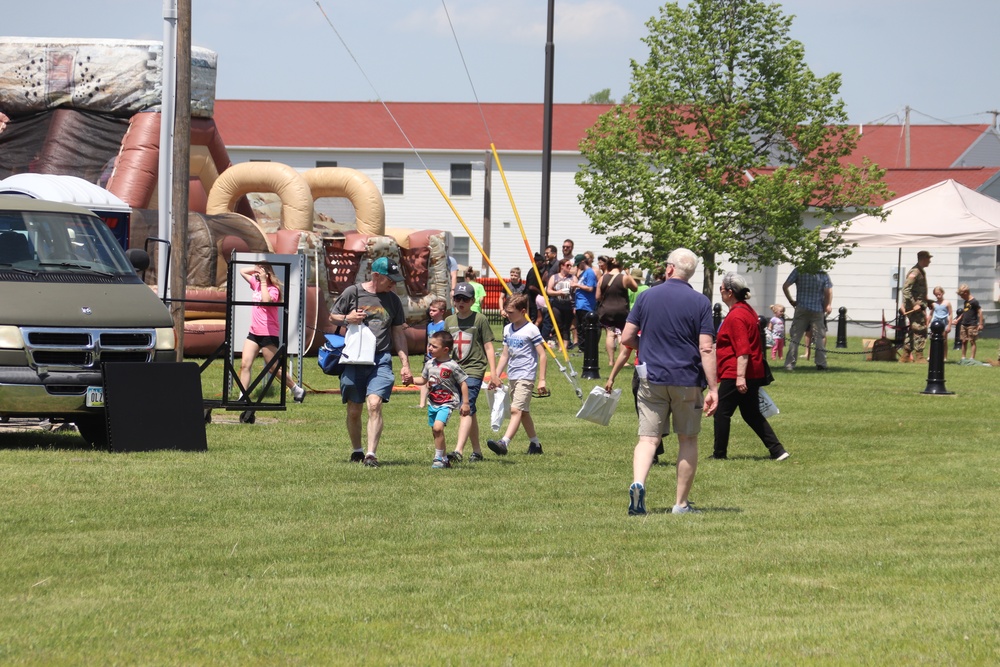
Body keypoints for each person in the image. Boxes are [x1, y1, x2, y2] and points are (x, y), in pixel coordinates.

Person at [618, 248, 718, 516]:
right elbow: (706, 348)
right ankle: (681, 504)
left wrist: (647, 344)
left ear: (670, 268)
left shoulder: (647, 295)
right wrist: (715, 388)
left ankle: (638, 482)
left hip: (652, 377)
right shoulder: (700, 302)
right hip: (687, 378)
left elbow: (627, 337)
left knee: (648, 439)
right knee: (687, 439)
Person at [329, 256, 413, 467]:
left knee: (374, 404)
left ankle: (371, 454)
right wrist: (348, 318)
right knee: (354, 408)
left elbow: (398, 334)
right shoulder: (353, 292)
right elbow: (333, 316)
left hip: (381, 357)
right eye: (390, 279)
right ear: (376, 275)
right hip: (354, 358)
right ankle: (357, 449)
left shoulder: (393, 300)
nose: (394, 283)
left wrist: (405, 364)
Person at [713, 273, 790, 461]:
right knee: (751, 414)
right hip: (752, 371)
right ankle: (778, 451)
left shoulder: (737, 316)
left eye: (721, 289)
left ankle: (719, 454)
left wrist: (740, 377)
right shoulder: (746, 310)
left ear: (730, 292)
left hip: (737, 373)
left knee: (722, 413)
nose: (721, 292)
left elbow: (743, 350)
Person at [486, 294, 548, 455]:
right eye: (506, 311)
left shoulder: (531, 329)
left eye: (511, 312)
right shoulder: (507, 329)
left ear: (523, 311)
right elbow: (505, 355)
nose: (507, 314)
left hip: (526, 376)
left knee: (516, 410)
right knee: (523, 412)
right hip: (513, 375)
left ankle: (504, 443)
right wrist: (496, 376)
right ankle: (535, 445)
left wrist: (542, 380)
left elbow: (542, 354)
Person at [238, 262, 305, 403]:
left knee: (273, 368)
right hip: (254, 332)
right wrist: (256, 269)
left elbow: (266, 300)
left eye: (260, 273)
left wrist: (263, 280)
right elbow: (242, 271)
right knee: (245, 364)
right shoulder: (256, 284)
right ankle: (243, 396)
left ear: (267, 274)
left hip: (268, 333)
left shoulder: (274, 290)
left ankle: (296, 389)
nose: (255, 276)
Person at [445, 282, 497, 461]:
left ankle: (458, 451)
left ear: (472, 300)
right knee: (470, 410)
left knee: (465, 408)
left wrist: (494, 373)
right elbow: (445, 348)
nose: (461, 302)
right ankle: (477, 451)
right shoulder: (449, 321)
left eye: (465, 299)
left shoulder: (480, 319)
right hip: (455, 370)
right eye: (457, 298)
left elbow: (489, 346)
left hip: (474, 369)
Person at [412, 330, 469, 469]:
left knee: (438, 428)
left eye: (434, 346)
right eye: (429, 345)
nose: (430, 348)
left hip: (447, 402)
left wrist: (465, 403)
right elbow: (423, 380)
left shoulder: (452, 365)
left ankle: (437, 458)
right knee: (436, 432)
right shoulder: (429, 364)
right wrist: (411, 380)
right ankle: (444, 459)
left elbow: (463, 383)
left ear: (445, 350)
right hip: (433, 402)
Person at [782, 264, 833, 371]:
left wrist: (791, 301)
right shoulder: (822, 273)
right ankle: (821, 364)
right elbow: (828, 292)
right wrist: (827, 305)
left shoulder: (799, 270)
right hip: (817, 309)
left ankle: (789, 364)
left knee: (795, 337)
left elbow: (785, 286)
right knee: (819, 337)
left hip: (801, 308)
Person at [596, 256, 637, 366]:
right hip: (621, 310)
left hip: (606, 310)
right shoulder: (624, 278)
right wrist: (628, 273)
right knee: (622, 333)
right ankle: (622, 361)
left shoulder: (602, 278)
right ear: (621, 266)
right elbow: (635, 288)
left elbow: (597, 296)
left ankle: (611, 361)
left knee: (610, 333)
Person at [899, 250, 932, 363]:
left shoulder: (920, 271)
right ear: (923, 259)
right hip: (915, 308)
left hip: (919, 306)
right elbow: (906, 290)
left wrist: (928, 302)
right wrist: (914, 304)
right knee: (920, 329)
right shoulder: (915, 272)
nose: (930, 261)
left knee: (913, 330)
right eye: (928, 258)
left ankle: (906, 356)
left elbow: (919, 292)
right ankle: (919, 356)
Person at [418, 298, 448, 409]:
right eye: (430, 310)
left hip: (439, 357)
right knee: (424, 378)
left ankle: (441, 400)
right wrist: (428, 354)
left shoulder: (443, 325)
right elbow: (428, 340)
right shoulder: (429, 325)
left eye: (434, 310)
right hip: (429, 357)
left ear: (442, 312)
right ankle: (422, 403)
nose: (431, 312)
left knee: (438, 380)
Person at [545, 257, 575, 349]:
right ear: (562, 266)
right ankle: (560, 345)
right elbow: (548, 291)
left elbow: (576, 293)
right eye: (567, 265)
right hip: (557, 304)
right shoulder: (555, 277)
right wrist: (559, 292)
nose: (570, 267)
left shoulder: (573, 278)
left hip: (569, 305)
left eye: (570, 265)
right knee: (558, 325)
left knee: (567, 326)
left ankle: (564, 347)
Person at [953, 283, 985, 365]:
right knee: (963, 341)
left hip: (972, 324)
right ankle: (963, 357)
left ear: (966, 292)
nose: (961, 297)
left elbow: (980, 312)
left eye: (961, 295)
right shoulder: (966, 302)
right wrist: (958, 319)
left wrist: (980, 323)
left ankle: (972, 358)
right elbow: (964, 312)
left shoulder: (974, 301)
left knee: (972, 341)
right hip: (964, 324)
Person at [572, 254, 598, 350]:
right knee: (580, 328)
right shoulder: (583, 273)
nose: (578, 266)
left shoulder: (590, 272)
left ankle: (585, 348)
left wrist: (576, 285)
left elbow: (590, 288)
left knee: (584, 327)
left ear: (583, 262)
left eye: (578, 264)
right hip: (580, 304)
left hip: (586, 304)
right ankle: (582, 347)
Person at [929, 286, 954, 362]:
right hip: (935, 322)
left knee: (944, 340)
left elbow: (950, 314)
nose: (938, 296)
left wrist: (949, 325)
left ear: (942, 293)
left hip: (944, 323)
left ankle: (944, 357)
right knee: (933, 340)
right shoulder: (934, 303)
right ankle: (930, 356)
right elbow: (930, 314)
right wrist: (928, 323)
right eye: (936, 295)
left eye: (939, 294)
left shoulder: (947, 303)